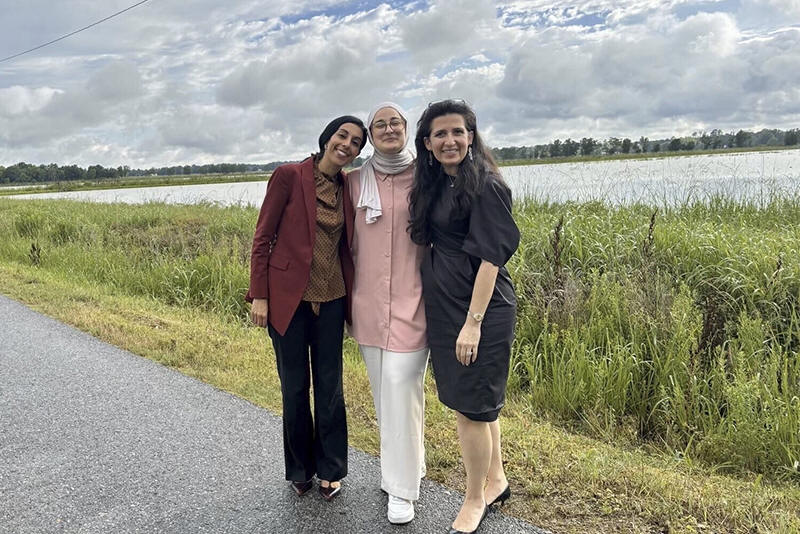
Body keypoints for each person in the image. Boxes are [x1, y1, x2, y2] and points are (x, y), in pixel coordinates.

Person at [408, 100, 520, 534]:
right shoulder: (437, 183)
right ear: (427, 143)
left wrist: (473, 323)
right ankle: (496, 480)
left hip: (480, 309)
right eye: (440, 133)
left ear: (471, 137)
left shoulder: (486, 185)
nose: (450, 140)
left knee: (472, 408)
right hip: (445, 305)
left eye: (458, 131)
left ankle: (474, 499)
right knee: (474, 405)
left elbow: (491, 258)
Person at [247, 115, 367, 501]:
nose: (347, 144)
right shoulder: (288, 176)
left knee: (330, 388)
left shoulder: (348, 186)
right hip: (288, 301)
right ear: (327, 138)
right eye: (342, 135)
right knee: (294, 388)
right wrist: (260, 295)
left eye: (356, 142)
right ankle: (300, 469)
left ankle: (331, 469)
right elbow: (263, 237)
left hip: (332, 299)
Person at [348, 102, 428, 525]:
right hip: (368, 305)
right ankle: (411, 463)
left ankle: (401, 489)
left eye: (395, 122)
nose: (388, 128)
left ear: (406, 127)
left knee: (400, 384)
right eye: (380, 124)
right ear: (371, 134)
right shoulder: (353, 182)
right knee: (386, 394)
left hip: (415, 303)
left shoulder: (428, 176)